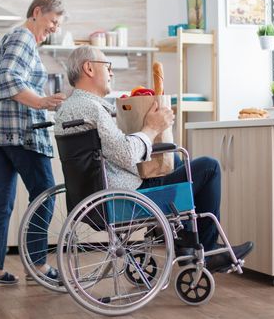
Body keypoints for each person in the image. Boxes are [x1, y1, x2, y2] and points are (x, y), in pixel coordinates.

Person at [54, 46, 253, 272]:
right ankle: (205, 250)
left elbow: (113, 151)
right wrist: (152, 127)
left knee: (175, 164)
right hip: (126, 200)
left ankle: (185, 244)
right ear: (89, 68)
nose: (111, 72)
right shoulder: (93, 109)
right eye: (107, 66)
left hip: (92, 199)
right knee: (208, 167)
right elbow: (126, 154)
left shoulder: (67, 108)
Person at [0, 0, 67, 287]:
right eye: (53, 21)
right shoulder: (24, 37)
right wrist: (41, 102)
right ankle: (38, 264)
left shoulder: (19, 38)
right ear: (37, 12)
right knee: (45, 193)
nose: (54, 27)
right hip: (18, 132)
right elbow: (7, 78)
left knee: (0, 201)